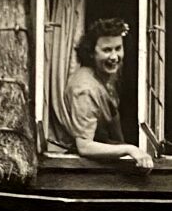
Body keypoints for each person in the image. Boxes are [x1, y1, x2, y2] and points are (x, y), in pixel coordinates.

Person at [57, 18, 154, 170]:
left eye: (118, 48)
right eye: (107, 50)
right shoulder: (84, 89)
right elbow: (84, 146)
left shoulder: (107, 75)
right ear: (91, 53)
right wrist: (130, 149)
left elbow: (114, 121)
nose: (114, 57)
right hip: (77, 167)